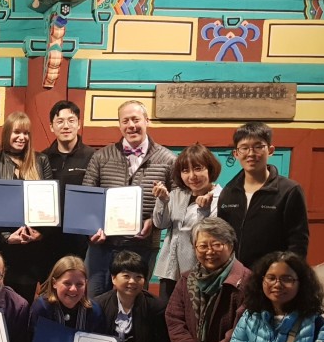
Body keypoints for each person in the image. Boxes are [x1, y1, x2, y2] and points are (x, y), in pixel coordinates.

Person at [82, 100, 176, 297]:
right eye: (125, 121)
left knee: (134, 300)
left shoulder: (168, 159)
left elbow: (176, 202)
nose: (131, 125)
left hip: (142, 245)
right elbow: (87, 198)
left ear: (147, 121)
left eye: (136, 119)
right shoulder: (101, 156)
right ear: (119, 124)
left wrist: (154, 223)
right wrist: (93, 229)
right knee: (95, 301)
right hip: (103, 245)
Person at [0, 111, 53, 303]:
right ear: (7, 133)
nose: (22, 137)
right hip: (3, 246)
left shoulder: (41, 160)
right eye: (17, 132)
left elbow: (49, 203)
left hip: (31, 248)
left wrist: (40, 233)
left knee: (24, 303)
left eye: (26, 133)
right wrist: (6, 238)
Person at [217, 121, 309, 267]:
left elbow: (298, 242)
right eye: (244, 148)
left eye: (258, 147)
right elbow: (222, 237)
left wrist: (286, 272)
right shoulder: (228, 192)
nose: (251, 154)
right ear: (236, 153)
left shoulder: (289, 191)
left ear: (270, 150)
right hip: (235, 277)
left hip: (272, 277)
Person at [152, 143, 223, 301]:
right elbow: (160, 224)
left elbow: (207, 235)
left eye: (198, 168)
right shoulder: (177, 194)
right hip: (169, 269)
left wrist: (203, 210)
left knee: (193, 318)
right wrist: (162, 201)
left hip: (200, 271)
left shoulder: (221, 198)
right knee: (167, 315)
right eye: (185, 170)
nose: (192, 176)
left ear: (210, 169)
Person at [39, 100, 95, 270]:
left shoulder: (93, 157)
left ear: (79, 124)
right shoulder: (42, 158)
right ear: (51, 126)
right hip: (48, 237)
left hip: (81, 237)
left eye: (71, 120)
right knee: (49, 286)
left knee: (77, 286)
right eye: (60, 121)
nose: (66, 126)